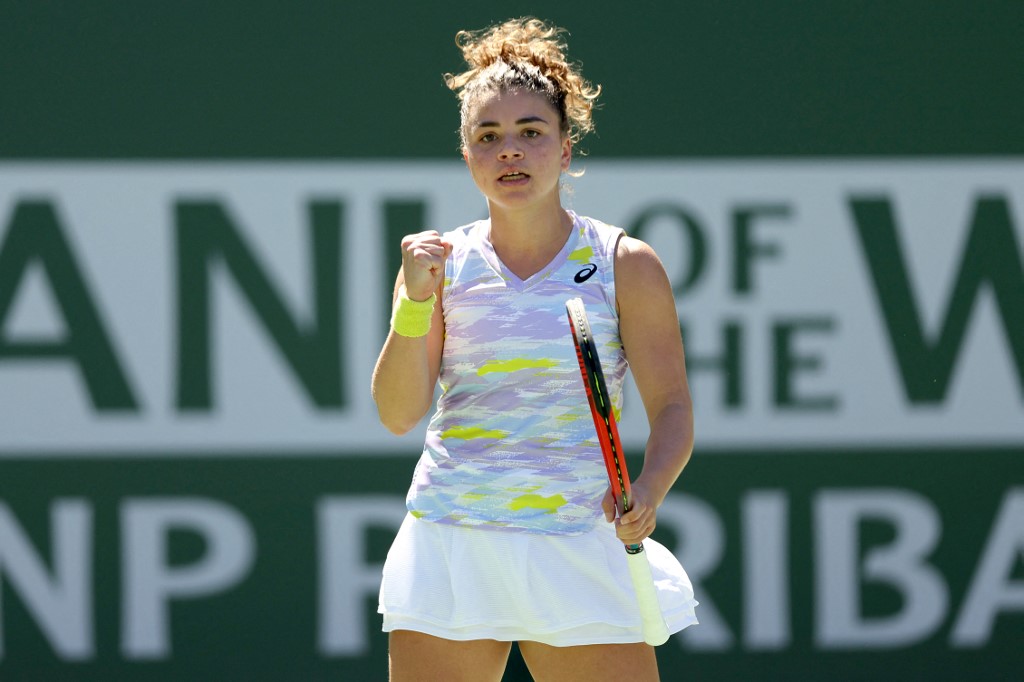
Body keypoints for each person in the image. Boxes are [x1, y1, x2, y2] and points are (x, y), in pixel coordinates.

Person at [372, 17, 697, 682]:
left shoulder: (624, 264)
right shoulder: (439, 267)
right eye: (488, 137)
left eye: (530, 133)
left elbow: (672, 407)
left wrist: (649, 489)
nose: (509, 151)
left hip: (580, 537)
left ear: (565, 148)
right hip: (453, 540)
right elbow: (398, 412)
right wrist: (412, 304)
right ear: (468, 156)